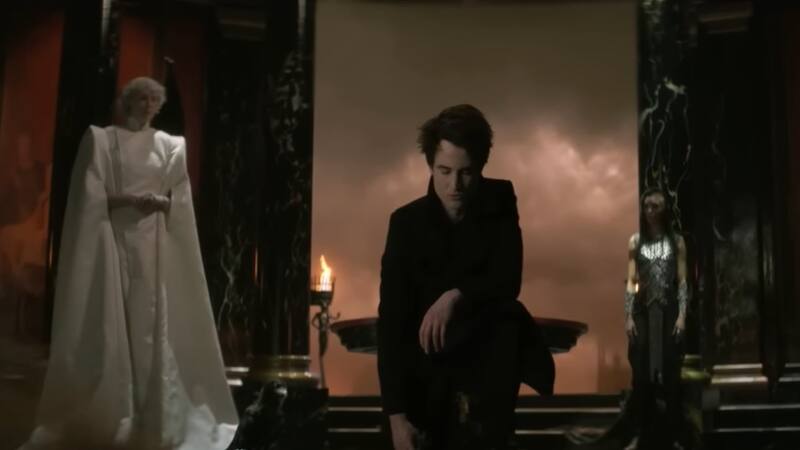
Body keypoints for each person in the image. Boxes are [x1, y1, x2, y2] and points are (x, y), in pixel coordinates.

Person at [19, 77, 237, 449]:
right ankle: (119, 410)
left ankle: (153, 412)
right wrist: (127, 201)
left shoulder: (170, 145)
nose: (147, 104)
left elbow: (180, 199)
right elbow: (91, 196)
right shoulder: (104, 140)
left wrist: (161, 203)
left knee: (150, 321)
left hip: (154, 246)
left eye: (153, 99)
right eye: (141, 98)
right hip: (114, 240)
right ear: (128, 101)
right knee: (114, 318)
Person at [377, 104, 554, 450]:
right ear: (430, 165)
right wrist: (396, 418)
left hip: (486, 367)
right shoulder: (405, 223)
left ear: (482, 167)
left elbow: (508, 279)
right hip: (426, 371)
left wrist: (455, 296)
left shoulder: (499, 199)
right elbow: (392, 321)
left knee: (506, 319)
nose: (454, 185)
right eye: (444, 171)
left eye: (466, 173)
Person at [623, 187, 687, 450]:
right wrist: (628, 315)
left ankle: (673, 435)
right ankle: (641, 432)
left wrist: (682, 315)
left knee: (671, 372)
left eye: (655, 206)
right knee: (641, 371)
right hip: (642, 310)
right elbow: (631, 280)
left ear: (664, 210)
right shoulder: (635, 242)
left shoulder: (677, 242)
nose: (650, 211)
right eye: (646, 206)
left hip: (669, 308)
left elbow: (682, 281)